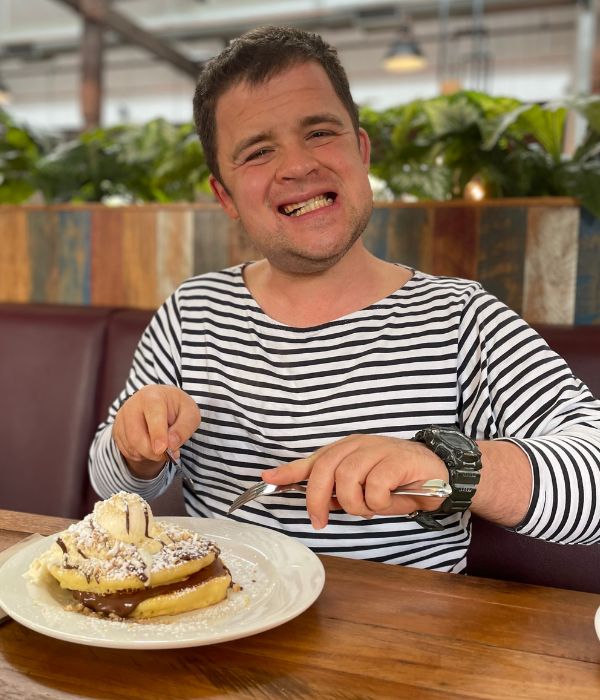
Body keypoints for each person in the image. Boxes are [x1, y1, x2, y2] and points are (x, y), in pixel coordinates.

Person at [89, 26, 600, 571]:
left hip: (403, 645)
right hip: (218, 628)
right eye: (258, 151)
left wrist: (447, 468)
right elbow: (111, 485)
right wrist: (134, 447)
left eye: (319, 133)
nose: (297, 165)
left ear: (360, 152)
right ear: (226, 196)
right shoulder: (192, 314)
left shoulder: (461, 319)